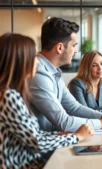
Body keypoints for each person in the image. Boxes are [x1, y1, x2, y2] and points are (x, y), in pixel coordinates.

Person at [0, 33, 94, 168]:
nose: (37, 61)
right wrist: (77, 136)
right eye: (32, 56)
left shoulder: (11, 93)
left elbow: (33, 134)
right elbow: (37, 142)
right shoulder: (8, 97)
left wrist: (60, 134)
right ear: (21, 61)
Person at [28, 17, 102, 132]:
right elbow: (63, 122)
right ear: (60, 47)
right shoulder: (38, 72)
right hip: (41, 144)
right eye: (74, 45)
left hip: (53, 138)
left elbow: (74, 107)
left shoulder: (52, 71)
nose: (76, 51)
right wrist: (101, 123)